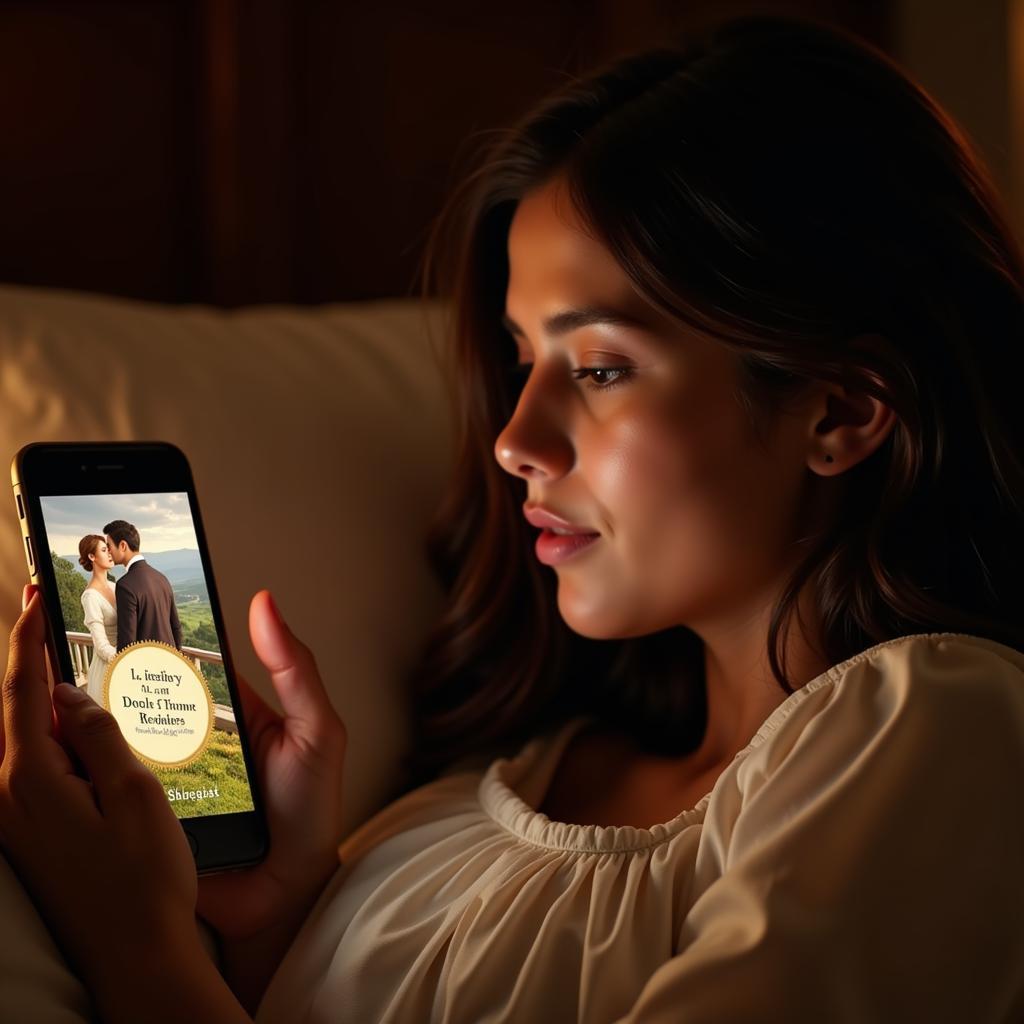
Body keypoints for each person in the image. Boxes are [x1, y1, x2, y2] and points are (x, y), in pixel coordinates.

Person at [1, 13, 1023, 1023]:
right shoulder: (496, 778)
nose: (513, 437)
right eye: (523, 360)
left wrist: (134, 949)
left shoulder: (942, 721)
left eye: (600, 367)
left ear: (839, 411)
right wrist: (282, 913)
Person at [103, 518, 184, 652]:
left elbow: (127, 641)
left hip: (145, 667)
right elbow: (176, 627)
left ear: (123, 546)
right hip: (170, 662)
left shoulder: (125, 585)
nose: (108, 551)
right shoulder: (162, 578)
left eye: (109, 546)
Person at [77, 534, 118, 704]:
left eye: (109, 549)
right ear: (92, 557)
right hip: (108, 666)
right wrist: (121, 658)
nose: (109, 553)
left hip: (126, 659)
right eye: (103, 550)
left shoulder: (116, 587)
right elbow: (101, 645)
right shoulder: (90, 596)